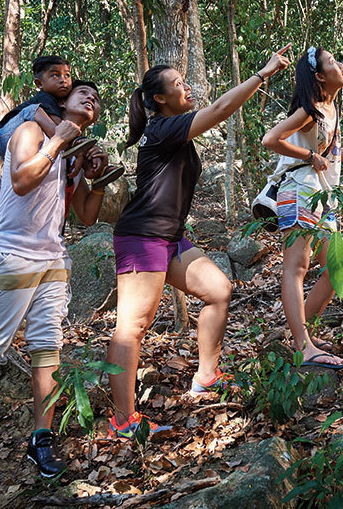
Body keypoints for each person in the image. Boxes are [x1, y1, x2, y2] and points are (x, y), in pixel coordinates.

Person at [105, 48, 291, 439]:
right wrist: (263, 72)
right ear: (159, 98)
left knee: (219, 289)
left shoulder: (173, 128)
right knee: (133, 327)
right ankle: (123, 422)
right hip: (143, 237)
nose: (185, 87)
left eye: (183, 81)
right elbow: (223, 108)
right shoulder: (161, 129)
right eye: (177, 84)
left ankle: (206, 377)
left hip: (169, 237)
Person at [0, 80, 109, 493]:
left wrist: (98, 178)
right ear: (61, 102)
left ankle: (42, 438)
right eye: (82, 94)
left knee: (47, 347)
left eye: (95, 99)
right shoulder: (30, 131)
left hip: (53, 257)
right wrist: (57, 140)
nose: (90, 99)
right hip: (10, 252)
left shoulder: (71, 152)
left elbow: (87, 217)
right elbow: (21, 180)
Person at [261, 46, 343, 369]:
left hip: (321, 196)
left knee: (337, 269)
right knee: (296, 269)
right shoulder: (310, 110)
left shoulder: (330, 109)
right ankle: (303, 346)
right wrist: (308, 156)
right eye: (333, 63)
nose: (341, 65)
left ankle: (305, 336)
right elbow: (271, 139)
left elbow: (330, 157)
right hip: (299, 192)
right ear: (319, 77)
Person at [0, 55, 121, 187]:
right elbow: (59, 127)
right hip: (5, 134)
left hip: (21, 146)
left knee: (71, 138)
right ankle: (73, 145)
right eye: (55, 75)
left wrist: (88, 153)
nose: (63, 80)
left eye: (67, 75)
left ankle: (95, 170)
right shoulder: (45, 98)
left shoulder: (53, 108)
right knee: (34, 110)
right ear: (39, 84)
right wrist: (79, 148)